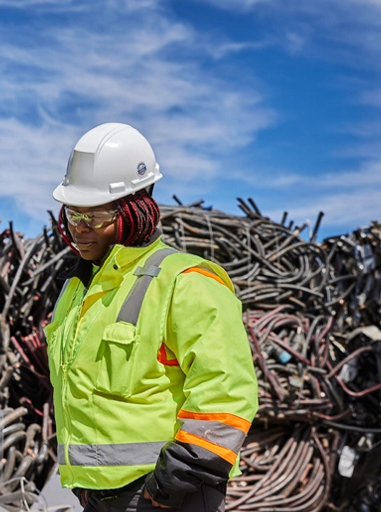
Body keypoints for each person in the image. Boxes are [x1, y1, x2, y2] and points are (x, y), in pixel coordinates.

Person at [45, 123, 259, 511]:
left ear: (136, 210)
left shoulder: (185, 281)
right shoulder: (75, 291)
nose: (80, 229)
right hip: (97, 496)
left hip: (167, 496)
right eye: (73, 214)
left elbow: (225, 393)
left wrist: (172, 484)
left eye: (96, 216)